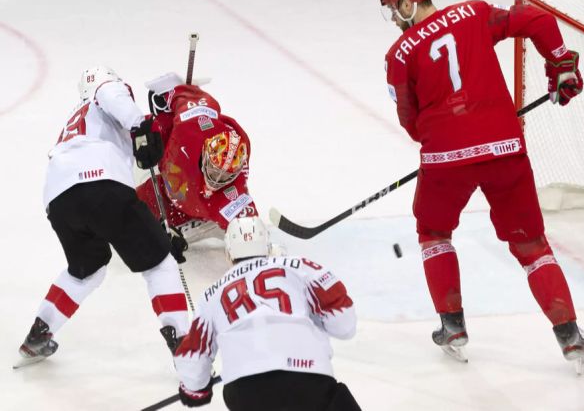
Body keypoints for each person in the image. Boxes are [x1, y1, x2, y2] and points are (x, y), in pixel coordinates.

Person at [379, 0, 584, 365]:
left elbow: (409, 121)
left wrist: (441, 141)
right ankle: (569, 333)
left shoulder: (399, 54)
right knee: (530, 245)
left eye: (394, 8)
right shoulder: (474, 12)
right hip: (504, 148)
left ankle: (453, 324)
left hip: (445, 159)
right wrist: (561, 62)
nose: (394, 18)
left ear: (409, 2)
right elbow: (538, 19)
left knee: (433, 231)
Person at [17, 66, 190, 366]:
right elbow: (108, 91)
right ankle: (185, 346)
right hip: (99, 181)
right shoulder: (104, 89)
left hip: (60, 198)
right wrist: (141, 123)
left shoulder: (80, 121)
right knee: (160, 262)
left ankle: (40, 331)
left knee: (87, 268)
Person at [173, 216, 361, 410]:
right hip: (305, 378)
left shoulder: (211, 295)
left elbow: (192, 363)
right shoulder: (300, 267)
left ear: (228, 252)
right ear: (267, 245)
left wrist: (195, 391)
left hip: (244, 392)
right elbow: (344, 325)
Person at [136, 73, 257, 248]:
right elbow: (185, 97)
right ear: (206, 155)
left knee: (144, 236)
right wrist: (167, 93)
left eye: (224, 177)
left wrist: (254, 241)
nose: (215, 180)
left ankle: (207, 220)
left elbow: (249, 230)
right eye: (214, 170)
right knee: (126, 213)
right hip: (169, 187)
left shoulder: (233, 194)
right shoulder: (193, 126)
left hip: (188, 205)